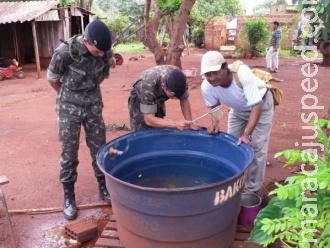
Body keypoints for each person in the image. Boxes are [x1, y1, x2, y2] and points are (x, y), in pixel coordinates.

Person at [47, 19, 112, 220]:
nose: (102, 54)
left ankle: (103, 187)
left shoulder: (105, 51)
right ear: (86, 41)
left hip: (93, 106)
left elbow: (102, 76)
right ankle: (69, 196)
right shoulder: (65, 53)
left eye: (103, 52)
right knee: (69, 152)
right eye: (97, 51)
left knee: (99, 148)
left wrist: (87, 93)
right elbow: (52, 79)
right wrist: (70, 98)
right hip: (69, 109)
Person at [200, 51, 274, 194]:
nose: (211, 78)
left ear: (224, 68)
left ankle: (252, 190)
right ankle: (235, 182)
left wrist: (247, 135)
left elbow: (256, 106)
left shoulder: (242, 73)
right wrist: (214, 123)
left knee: (257, 147)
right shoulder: (206, 87)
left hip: (261, 105)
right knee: (233, 144)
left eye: (214, 73)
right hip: (238, 109)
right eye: (207, 74)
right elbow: (215, 107)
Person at [128, 65, 199, 132]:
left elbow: (184, 100)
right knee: (142, 131)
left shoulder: (181, 79)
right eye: (173, 96)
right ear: (164, 86)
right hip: (141, 100)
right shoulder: (146, 86)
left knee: (159, 128)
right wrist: (175, 124)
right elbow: (149, 120)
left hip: (158, 95)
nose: (175, 99)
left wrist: (190, 122)